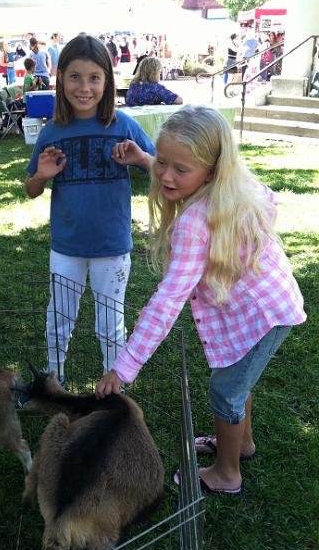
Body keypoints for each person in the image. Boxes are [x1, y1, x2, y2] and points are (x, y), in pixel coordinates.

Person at [95, 105, 306, 495]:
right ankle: (241, 444)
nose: (166, 176)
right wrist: (146, 160)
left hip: (263, 316)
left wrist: (124, 367)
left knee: (225, 390)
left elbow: (168, 300)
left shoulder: (195, 222)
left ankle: (227, 474)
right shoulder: (238, 188)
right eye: (163, 164)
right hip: (274, 306)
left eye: (181, 169)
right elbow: (270, 202)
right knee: (237, 379)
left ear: (210, 170)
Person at [24, 34, 155, 385]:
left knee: (110, 321)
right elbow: (30, 189)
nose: (84, 87)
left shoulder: (123, 124)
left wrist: (141, 159)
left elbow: (159, 167)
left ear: (107, 81)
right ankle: (55, 380)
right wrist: (41, 175)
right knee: (59, 316)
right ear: (61, 77)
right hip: (66, 246)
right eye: (75, 77)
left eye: (94, 78)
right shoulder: (52, 131)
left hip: (111, 247)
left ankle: (114, 389)